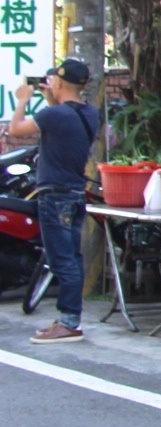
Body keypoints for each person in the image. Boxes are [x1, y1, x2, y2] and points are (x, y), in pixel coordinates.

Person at [7, 58, 101, 344]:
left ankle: (70, 322)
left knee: (63, 261)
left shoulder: (56, 115)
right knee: (71, 257)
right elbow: (62, 125)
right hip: (73, 194)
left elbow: (15, 130)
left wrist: (23, 100)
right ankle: (67, 319)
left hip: (55, 197)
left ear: (58, 82)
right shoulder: (89, 113)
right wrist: (52, 98)